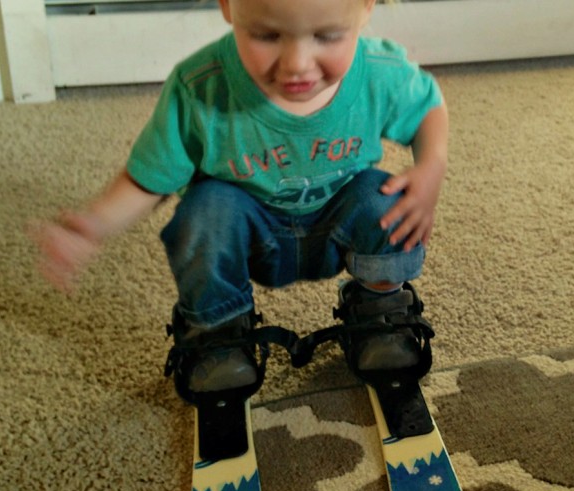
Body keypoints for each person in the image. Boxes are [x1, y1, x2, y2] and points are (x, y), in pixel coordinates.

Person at [34, 0, 448, 405]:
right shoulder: (199, 87)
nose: (297, 64)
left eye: (327, 36)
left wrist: (430, 167)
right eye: (267, 35)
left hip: (337, 226)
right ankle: (219, 331)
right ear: (228, 7)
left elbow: (428, 106)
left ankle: (381, 308)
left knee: (385, 195)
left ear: (366, 8)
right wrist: (93, 225)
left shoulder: (380, 73)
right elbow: (149, 179)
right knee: (204, 209)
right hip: (247, 238)